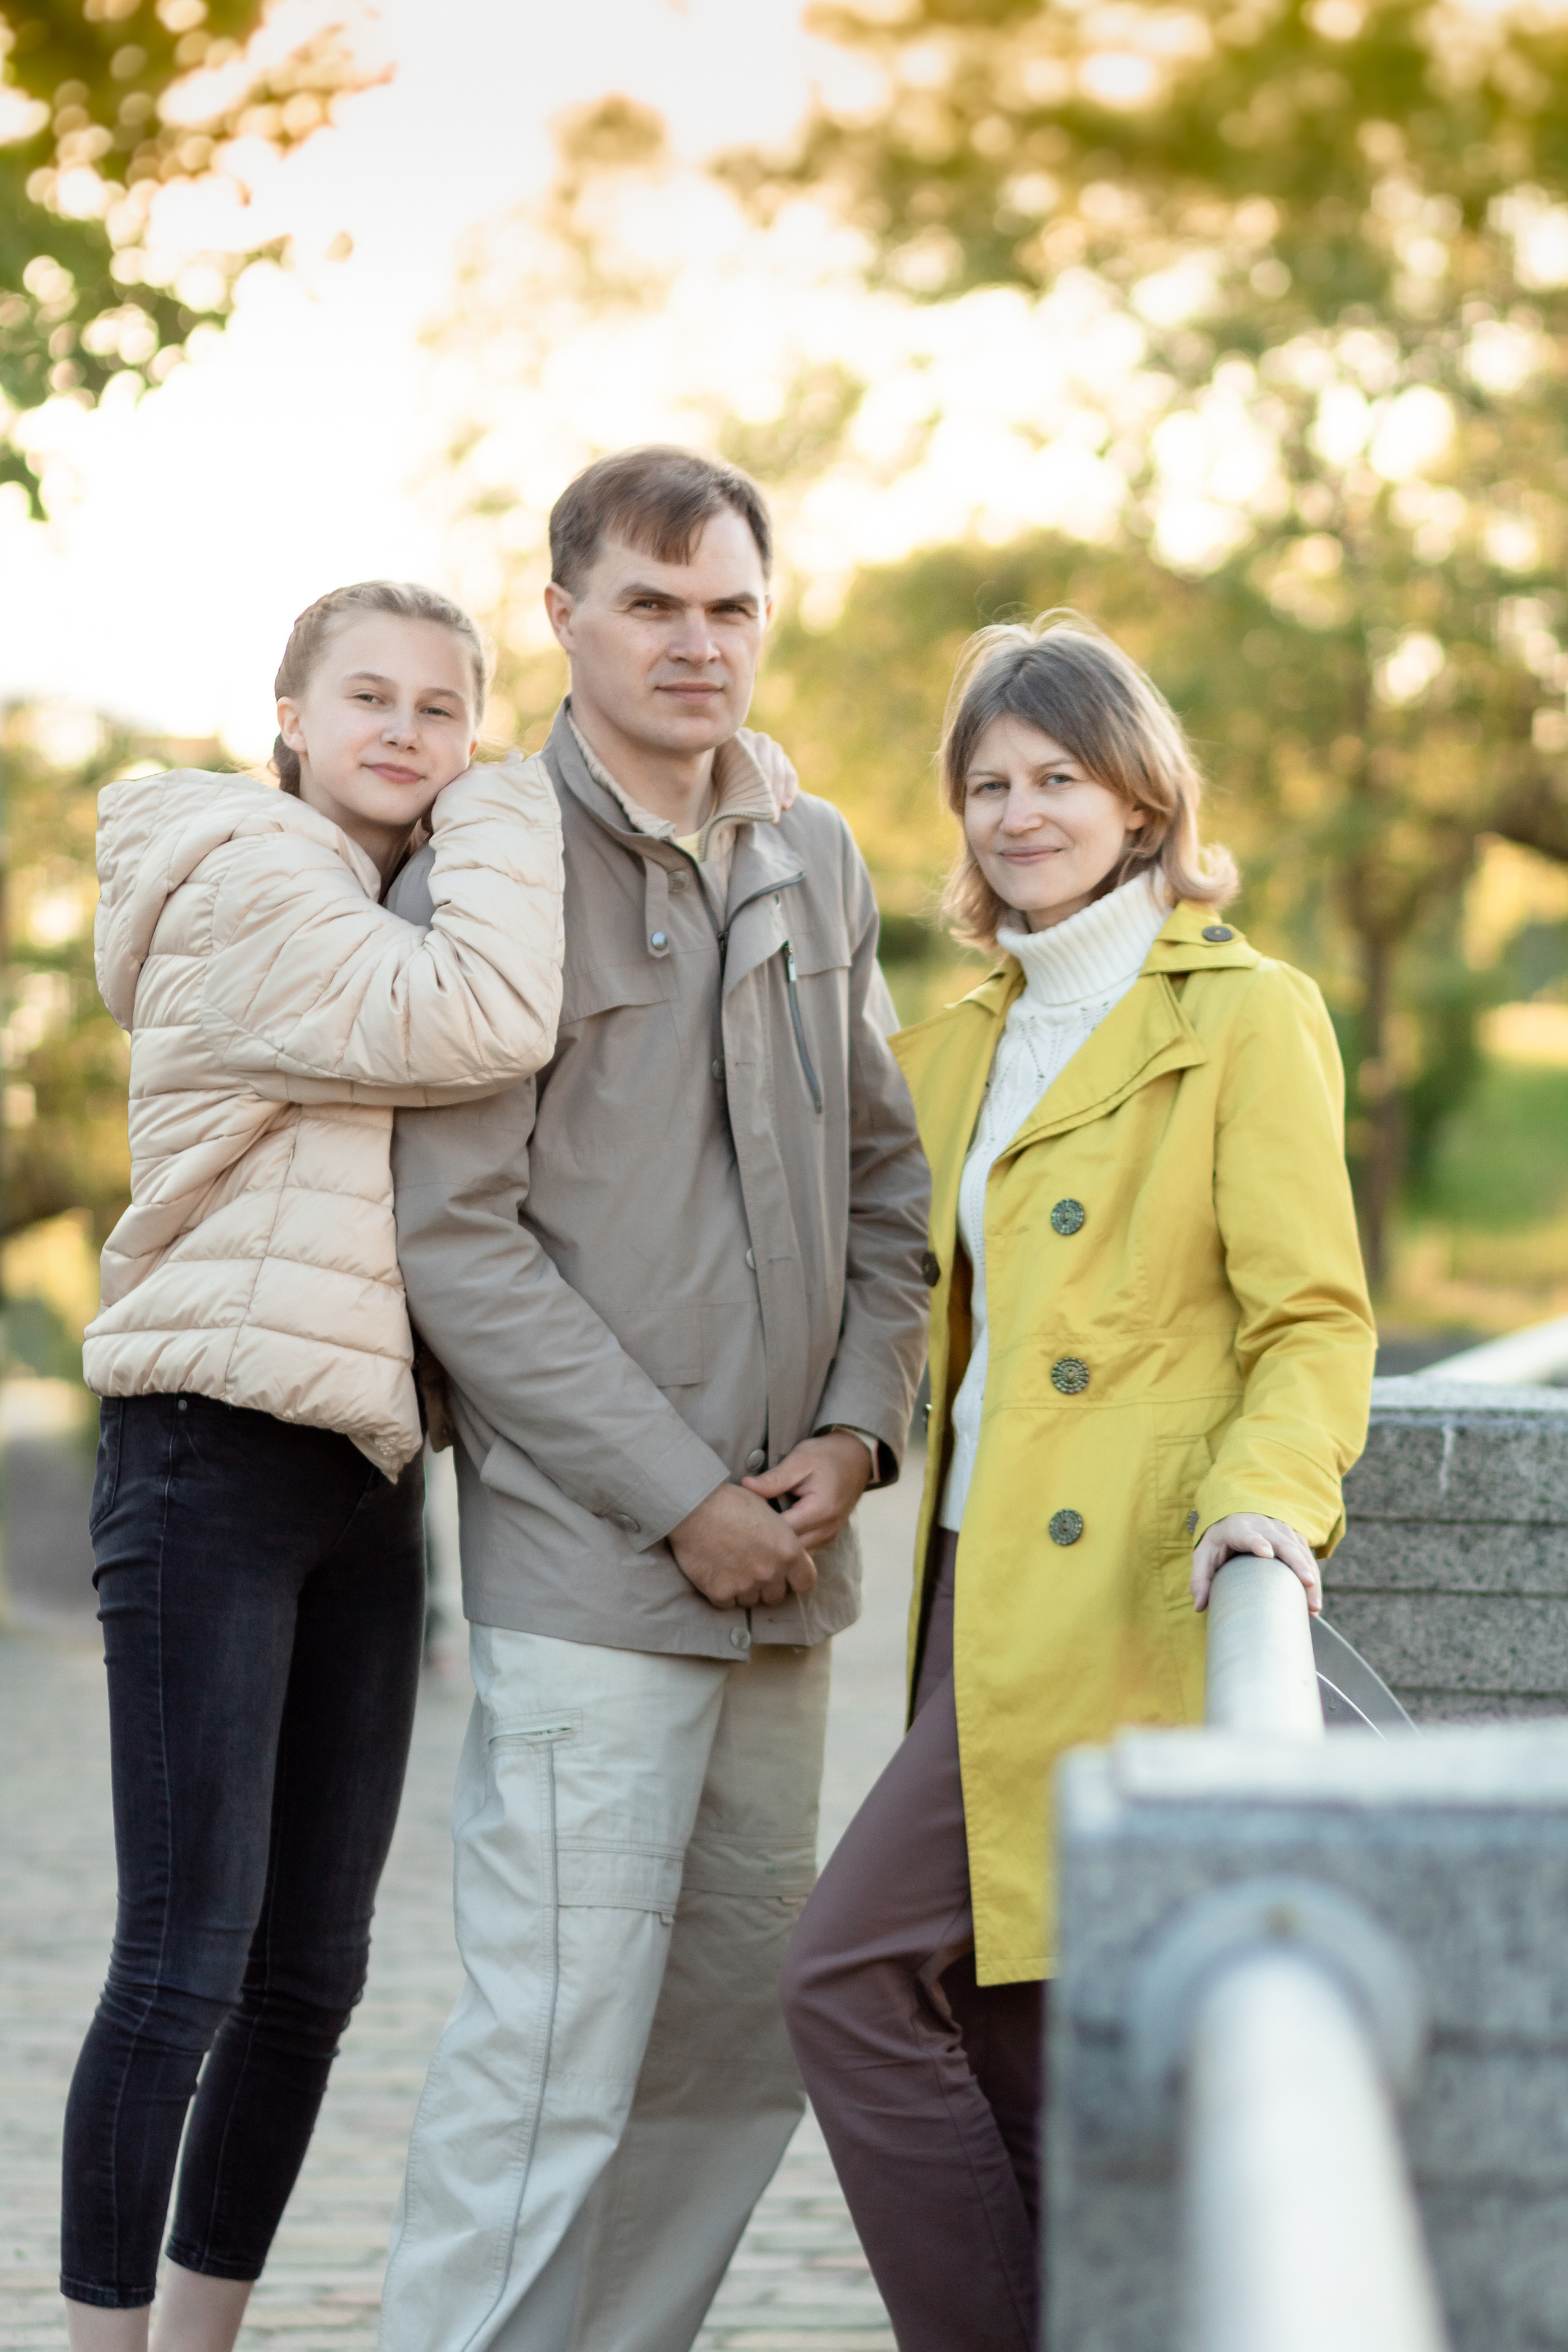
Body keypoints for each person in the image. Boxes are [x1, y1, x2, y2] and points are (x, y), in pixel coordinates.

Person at [377, 445, 931, 2352]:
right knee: (547, 2069)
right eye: (653, 605)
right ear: (563, 618)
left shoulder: (818, 852)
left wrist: (857, 1437)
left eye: (731, 610)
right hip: (596, 1571)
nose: (699, 646)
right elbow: (459, 1242)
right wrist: (678, 1493)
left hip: (788, 1573)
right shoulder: (493, 858)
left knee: (723, 2056)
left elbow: (886, 1182)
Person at [781, 612, 1377, 2352]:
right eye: (989, 784)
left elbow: (1311, 1318)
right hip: (980, 1591)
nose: (1022, 812)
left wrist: (1273, 1496)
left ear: (1141, 798)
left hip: (1133, 1585)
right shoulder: (952, 1044)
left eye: (1061, 776)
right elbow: (880, 1291)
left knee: (845, 1981)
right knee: (1014, 2030)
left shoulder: (1245, 1016)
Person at [64, 581, 564, 2352]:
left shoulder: (381, 890)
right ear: (290, 718)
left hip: (362, 1465)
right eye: (372, 696)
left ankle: (200, 2341)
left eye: (449, 708)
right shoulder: (253, 880)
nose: (411, 732)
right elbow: (487, 1013)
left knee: (310, 1975)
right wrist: (521, 797)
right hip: (209, 1451)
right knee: (184, 1958)